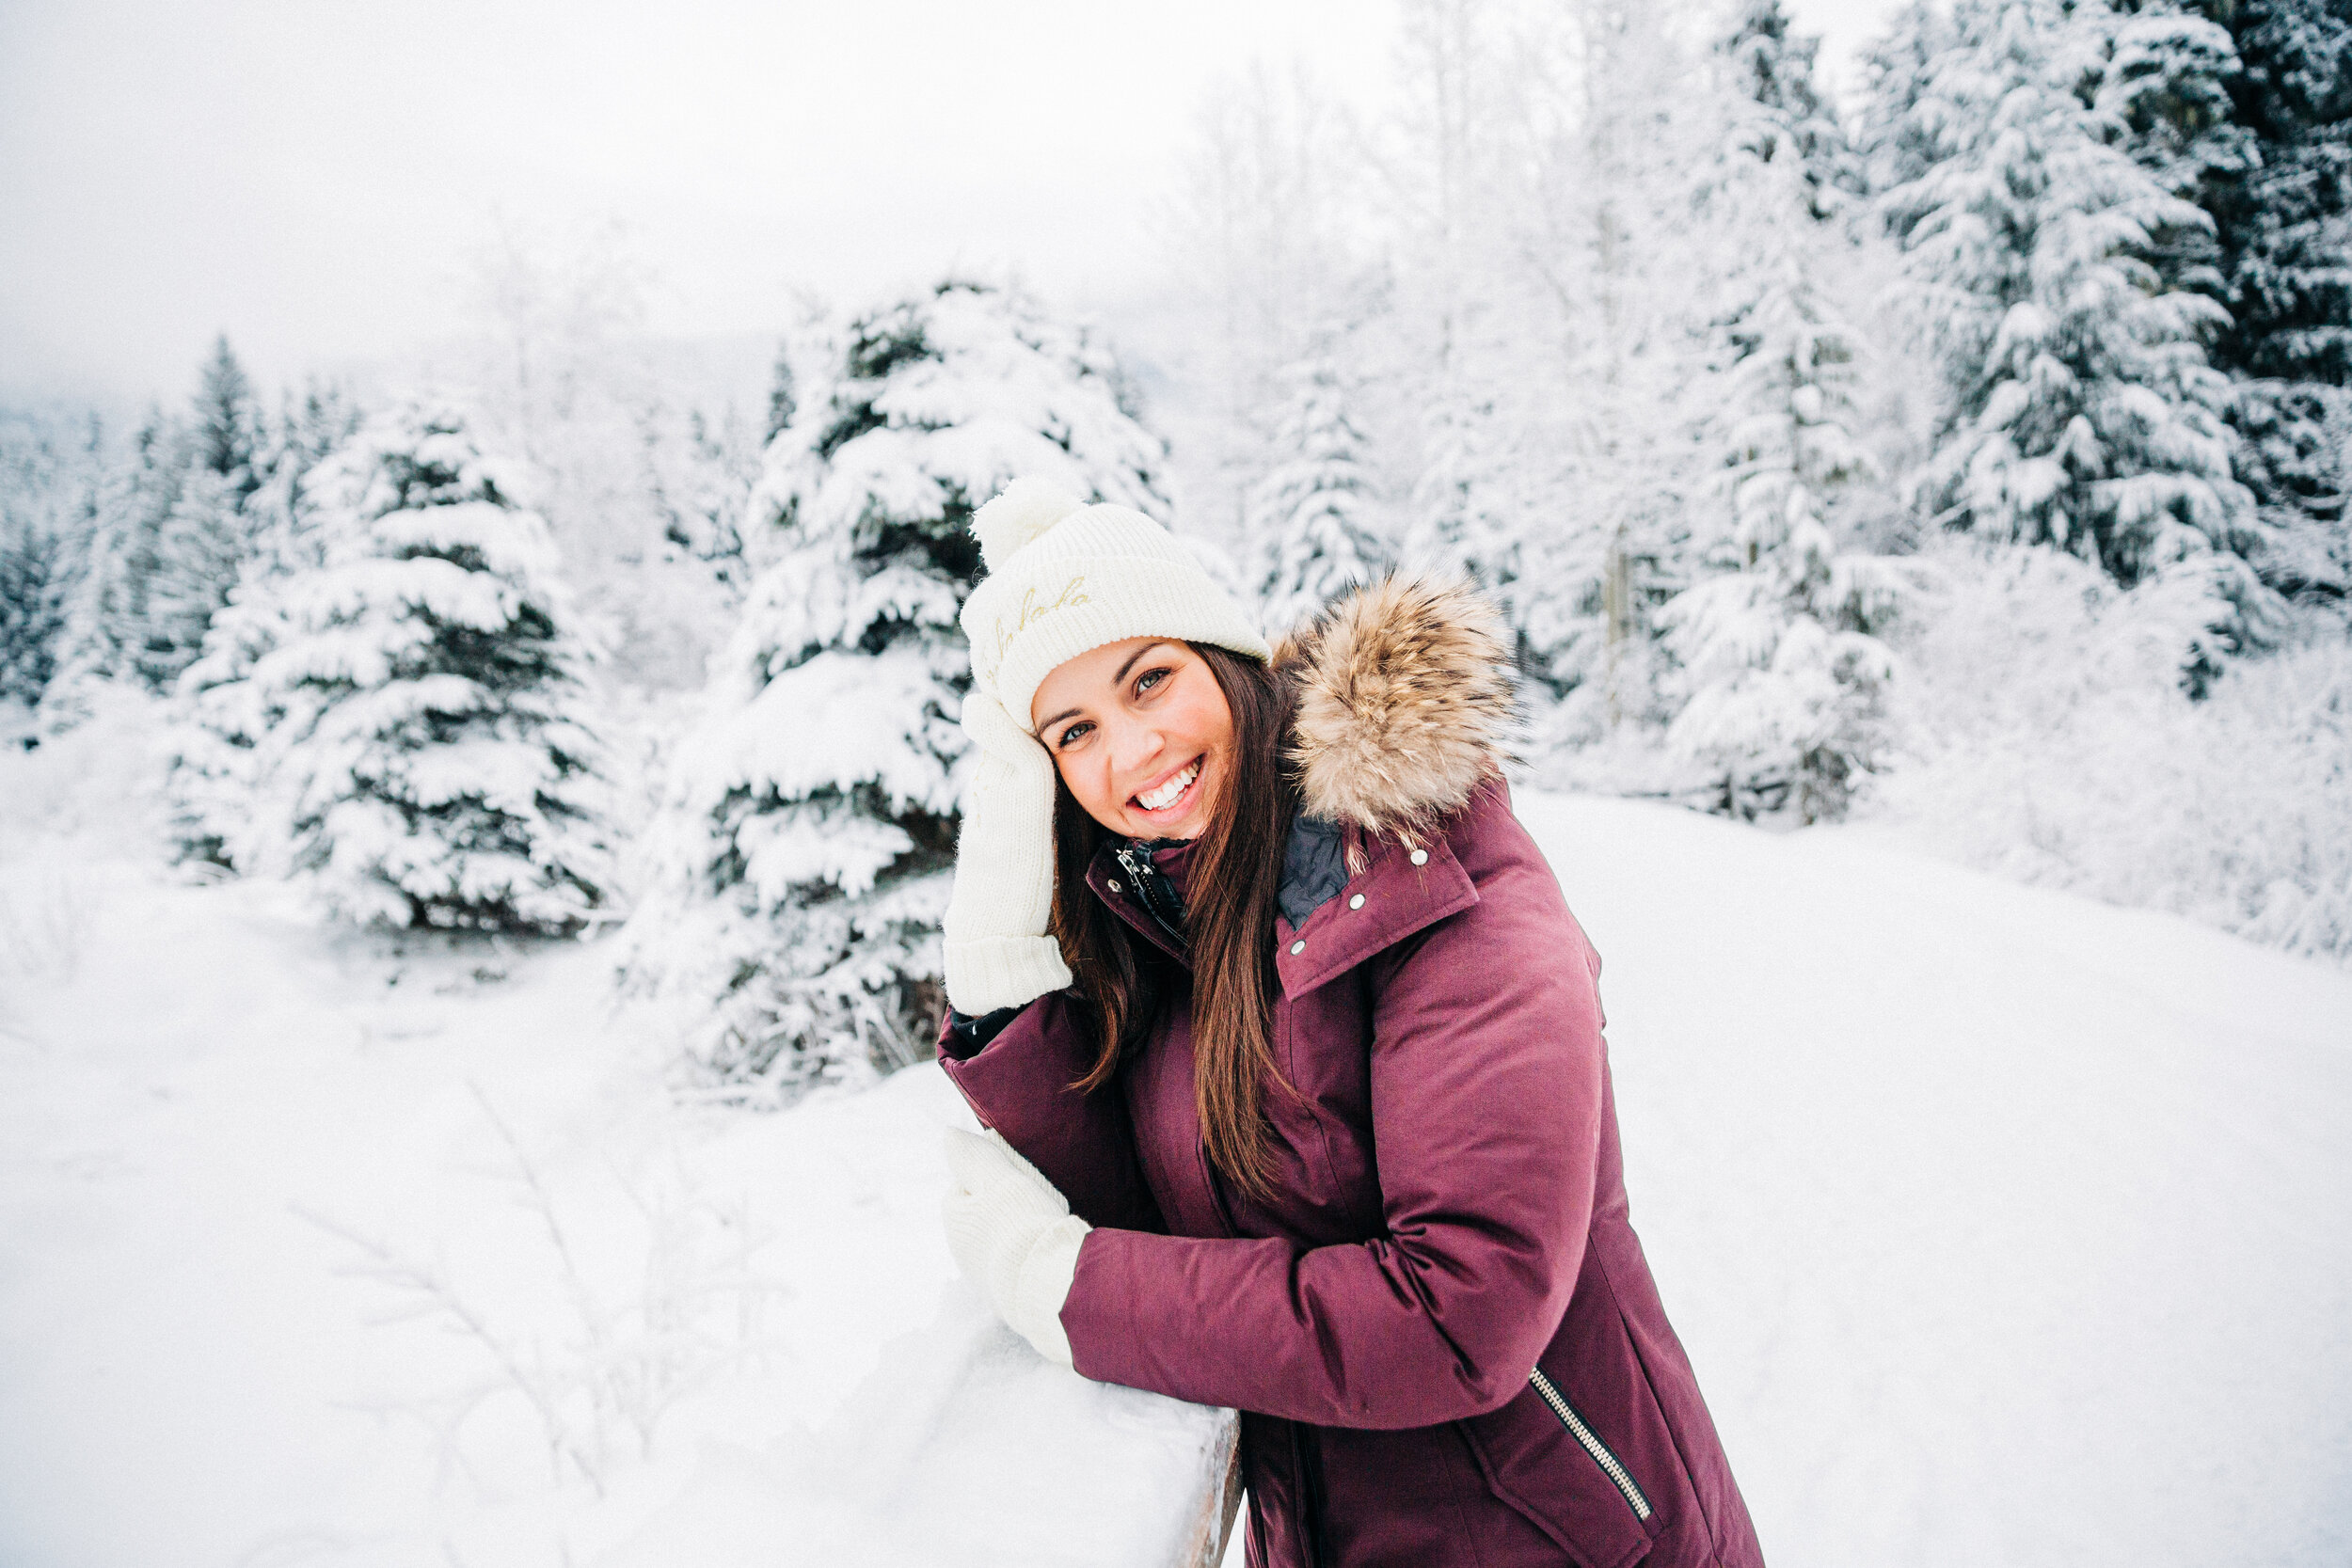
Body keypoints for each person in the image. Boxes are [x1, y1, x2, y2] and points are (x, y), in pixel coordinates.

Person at [933, 476, 1765, 1568]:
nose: (1131, 750)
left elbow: (1463, 1309)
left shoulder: (1435, 875)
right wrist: (999, 916)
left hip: (1565, 1538)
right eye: (1073, 729)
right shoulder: (1179, 913)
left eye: (1150, 679)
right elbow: (1152, 1217)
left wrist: (1065, 1285)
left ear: (1222, 657)